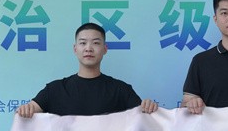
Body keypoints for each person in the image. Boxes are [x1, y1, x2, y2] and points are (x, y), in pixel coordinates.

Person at [17, 22, 159, 118]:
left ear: (105, 49)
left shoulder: (121, 90)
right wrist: (25, 110)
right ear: (75, 49)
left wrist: (148, 107)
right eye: (83, 43)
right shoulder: (55, 89)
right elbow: (28, 111)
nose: (88, 48)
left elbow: (142, 118)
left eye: (96, 43)